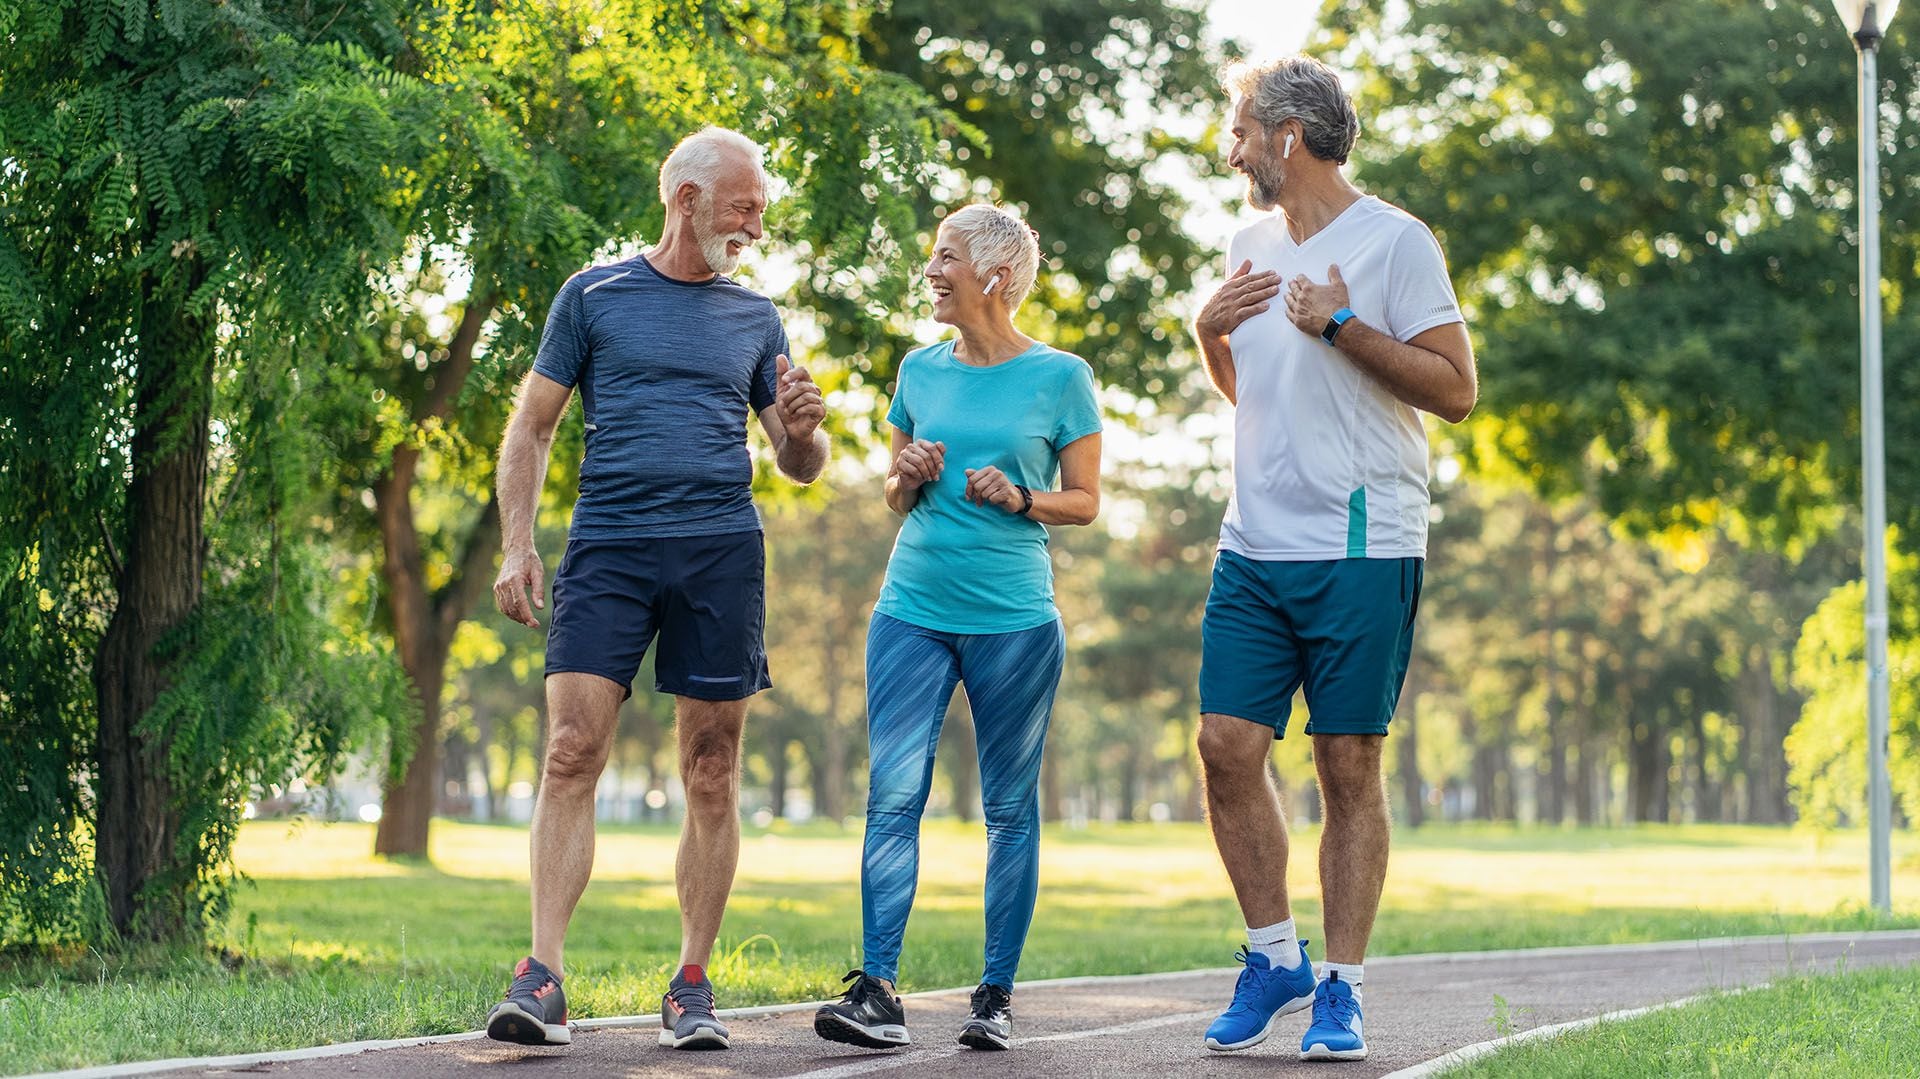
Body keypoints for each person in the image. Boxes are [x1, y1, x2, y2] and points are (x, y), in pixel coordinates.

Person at [484, 126, 830, 1052]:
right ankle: (543, 974)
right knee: (569, 749)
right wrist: (518, 546)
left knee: (711, 765)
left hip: (719, 548)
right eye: (745, 203)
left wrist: (802, 429)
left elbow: (799, 464)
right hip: (610, 544)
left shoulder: (756, 315)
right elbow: (532, 427)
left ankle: (689, 983)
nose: (758, 221)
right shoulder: (592, 294)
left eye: (761, 206)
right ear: (687, 198)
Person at [1190, 57, 1477, 1063]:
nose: (1228, 150)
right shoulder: (1248, 243)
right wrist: (1207, 335)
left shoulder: (1396, 242)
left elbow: (1455, 389)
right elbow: (1260, 395)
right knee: (1225, 745)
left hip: (1361, 540)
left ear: (1288, 137)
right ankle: (1274, 956)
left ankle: (1341, 988)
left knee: (1346, 760)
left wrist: (1343, 323)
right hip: (1253, 541)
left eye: (1238, 130)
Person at [810, 204, 1102, 1053]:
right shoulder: (918, 369)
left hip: (1014, 619)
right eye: (931, 256)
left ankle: (995, 995)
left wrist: (1022, 496)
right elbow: (896, 493)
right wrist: (903, 474)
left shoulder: (1061, 377)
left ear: (997, 276)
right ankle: (876, 989)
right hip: (912, 608)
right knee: (893, 795)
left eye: (947, 258)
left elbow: (1085, 501)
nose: (931, 270)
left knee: (1010, 808)